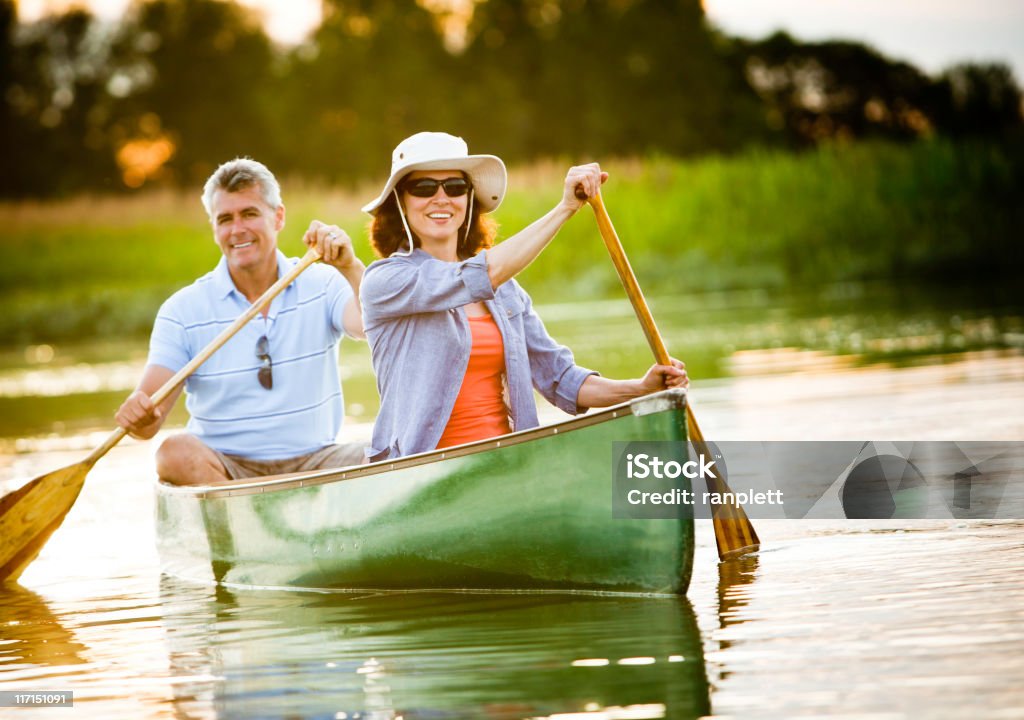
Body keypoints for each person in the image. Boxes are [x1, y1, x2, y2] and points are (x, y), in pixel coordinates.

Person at [359, 131, 688, 462]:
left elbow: (561, 379)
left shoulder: (506, 292)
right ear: (401, 200)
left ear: (469, 198)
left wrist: (642, 389)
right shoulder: (386, 281)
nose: (442, 198)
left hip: (508, 464)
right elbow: (480, 275)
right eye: (424, 188)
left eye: (455, 187)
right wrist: (565, 208)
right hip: (422, 472)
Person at [115, 158, 367, 485]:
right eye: (225, 219)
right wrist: (138, 414)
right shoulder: (182, 311)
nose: (237, 230)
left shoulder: (323, 282)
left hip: (318, 462)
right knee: (173, 453)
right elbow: (150, 423)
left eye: (249, 214)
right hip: (226, 470)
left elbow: (370, 326)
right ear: (214, 228)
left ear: (278, 217)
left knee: (389, 450)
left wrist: (350, 267)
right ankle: (247, 527)